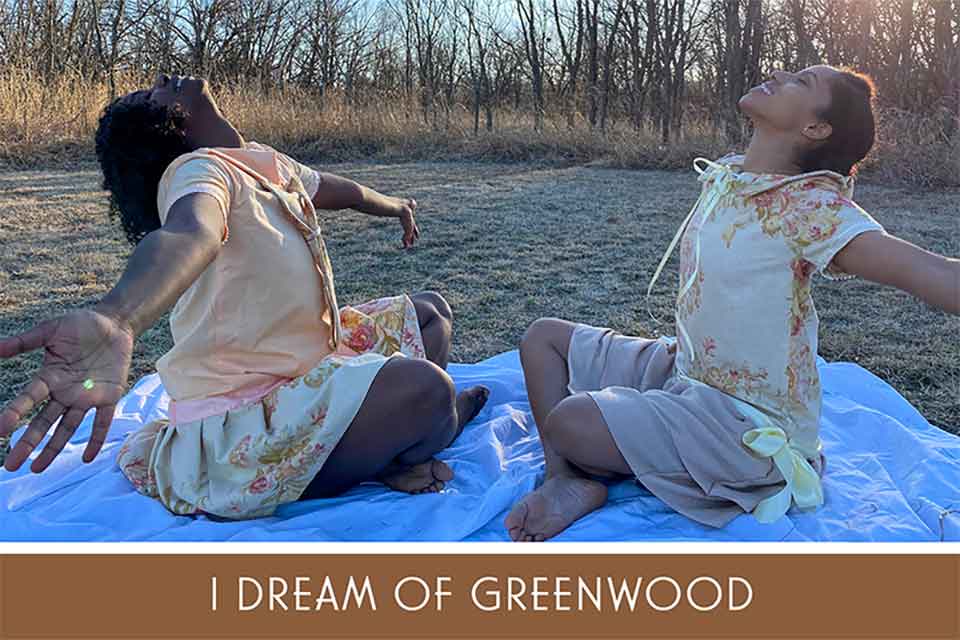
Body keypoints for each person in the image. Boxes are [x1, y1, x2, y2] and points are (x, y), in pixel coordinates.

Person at [0, 73, 488, 520]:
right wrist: (118, 317)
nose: (164, 78)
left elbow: (345, 190)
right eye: (154, 93)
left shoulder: (265, 163)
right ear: (169, 126)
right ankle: (402, 447)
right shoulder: (197, 171)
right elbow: (192, 233)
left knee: (431, 314)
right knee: (430, 389)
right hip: (250, 407)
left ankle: (385, 447)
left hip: (311, 364)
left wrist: (398, 206)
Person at [507, 66, 960, 541]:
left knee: (569, 421)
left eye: (801, 83)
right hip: (689, 371)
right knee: (543, 339)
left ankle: (613, 460)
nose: (780, 73)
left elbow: (931, 272)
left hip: (745, 425)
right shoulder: (730, 174)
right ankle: (566, 480)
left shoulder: (812, 208)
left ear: (815, 129)